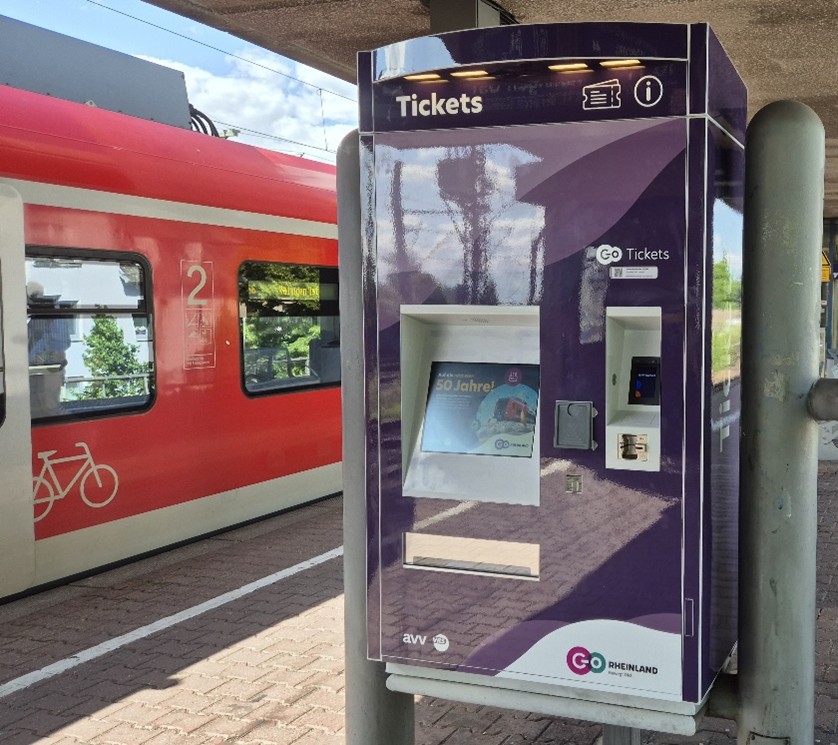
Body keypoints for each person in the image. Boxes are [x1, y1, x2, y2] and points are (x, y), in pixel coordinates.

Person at [27, 281, 72, 418]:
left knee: (50, 408)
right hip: (35, 371)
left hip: (50, 369)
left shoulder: (54, 314)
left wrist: (37, 351)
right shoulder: (33, 316)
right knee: (35, 408)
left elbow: (63, 341)